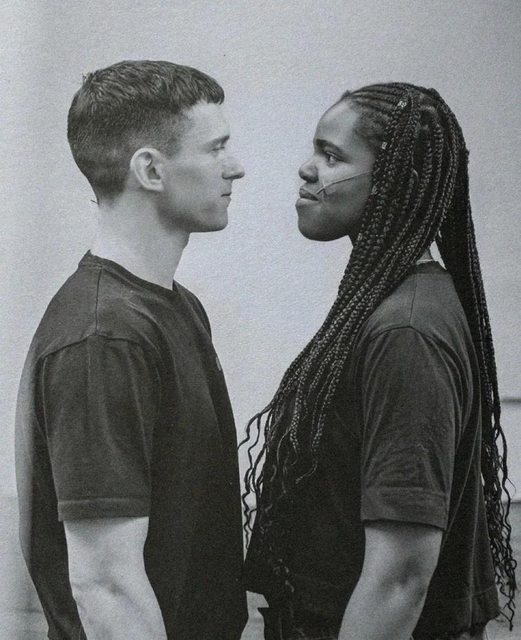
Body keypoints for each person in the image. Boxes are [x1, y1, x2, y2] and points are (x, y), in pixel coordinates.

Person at [242, 83, 516, 640]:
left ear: (399, 180)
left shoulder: (407, 333)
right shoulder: (391, 303)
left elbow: (400, 578)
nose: (306, 168)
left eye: (332, 155)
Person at [15, 59, 247, 640]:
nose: (235, 167)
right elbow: (105, 587)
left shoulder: (173, 307)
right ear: (150, 169)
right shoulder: (103, 337)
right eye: (216, 148)